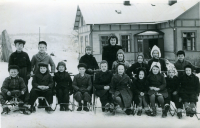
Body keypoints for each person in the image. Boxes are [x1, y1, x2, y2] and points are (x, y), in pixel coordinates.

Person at [31, 41, 55, 107]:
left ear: (46, 48)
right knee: (37, 88)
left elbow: (52, 64)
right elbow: (31, 64)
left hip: (46, 75)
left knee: (46, 89)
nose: (42, 48)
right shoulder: (35, 56)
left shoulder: (48, 57)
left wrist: (52, 72)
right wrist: (31, 71)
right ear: (38, 48)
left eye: (43, 47)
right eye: (40, 47)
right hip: (37, 75)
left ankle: (46, 104)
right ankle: (38, 103)